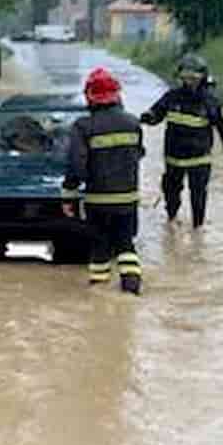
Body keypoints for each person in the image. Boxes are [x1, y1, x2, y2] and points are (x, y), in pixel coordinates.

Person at [61, 66, 145, 295]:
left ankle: (99, 294)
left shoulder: (83, 126)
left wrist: (68, 195)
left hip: (97, 201)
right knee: (126, 245)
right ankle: (131, 289)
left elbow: (76, 166)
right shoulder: (133, 123)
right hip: (128, 200)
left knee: (100, 246)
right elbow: (139, 155)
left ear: (89, 96)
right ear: (117, 95)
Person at [140, 53, 223, 228]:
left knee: (198, 194)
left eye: (193, 78)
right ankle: (171, 219)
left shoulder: (211, 101)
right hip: (173, 158)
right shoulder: (172, 96)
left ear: (203, 78)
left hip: (199, 158)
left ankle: (198, 228)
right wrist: (149, 117)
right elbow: (157, 112)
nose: (189, 82)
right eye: (185, 77)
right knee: (171, 191)